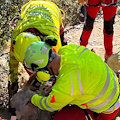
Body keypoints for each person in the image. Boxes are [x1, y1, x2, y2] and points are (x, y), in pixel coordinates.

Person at [23, 40, 120, 120]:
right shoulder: (68, 49)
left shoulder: (65, 86)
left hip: (107, 111)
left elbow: (49, 105)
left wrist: (33, 98)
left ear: (44, 71)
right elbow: (73, 74)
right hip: (112, 89)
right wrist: (55, 86)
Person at [9, 0, 67, 98]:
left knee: (60, 54)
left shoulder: (52, 39)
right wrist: (13, 88)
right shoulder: (16, 42)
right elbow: (12, 68)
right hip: (30, 6)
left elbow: (60, 65)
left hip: (53, 11)